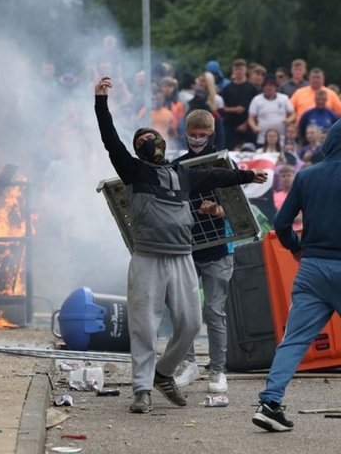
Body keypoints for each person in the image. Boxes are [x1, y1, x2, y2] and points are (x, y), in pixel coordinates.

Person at [94, 77, 268, 414]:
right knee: (144, 325)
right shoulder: (134, 170)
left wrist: (248, 175)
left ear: (161, 141)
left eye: (151, 137)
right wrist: (101, 103)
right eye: (141, 140)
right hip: (148, 258)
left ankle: (162, 373)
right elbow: (110, 140)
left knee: (189, 324)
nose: (147, 141)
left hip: (181, 258)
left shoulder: (181, 173)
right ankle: (142, 389)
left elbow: (219, 176)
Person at [252, 119, 341, 432]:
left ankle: (270, 403)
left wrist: (296, 248)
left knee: (294, 340)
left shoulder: (306, 176)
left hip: (312, 268)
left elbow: (281, 224)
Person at [173, 109, 238, 394]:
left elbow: (237, 211)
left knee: (214, 311)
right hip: (187, 249)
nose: (197, 139)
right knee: (185, 313)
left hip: (219, 250)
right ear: (185, 132)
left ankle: (218, 370)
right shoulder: (177, 167)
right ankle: (187, 364)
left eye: (202, 134)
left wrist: (216, 210)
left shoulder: (223, 165)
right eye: (193, 134)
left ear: (211, 133)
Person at [221, 58, 259, 150]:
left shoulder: (252, 89)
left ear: (245, 70)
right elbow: (222, 108)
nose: (239, 71)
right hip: (230, 126)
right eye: (236, 69)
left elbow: (256, 109)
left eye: (241, 69)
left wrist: (246, 124)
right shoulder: (227, 89)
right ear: (233, 70)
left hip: (248, 126)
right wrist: (234, 109)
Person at [248, 74, 295, 146]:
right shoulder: (256, 99)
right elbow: (251, 118)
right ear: (263, 87)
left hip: (281, 138)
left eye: (271, 86)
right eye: (267, 86)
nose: (269, 88)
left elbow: (293, 114)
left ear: (276, 87)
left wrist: (288, 120)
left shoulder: (284, 98)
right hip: (262, 138)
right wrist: (254, 127)